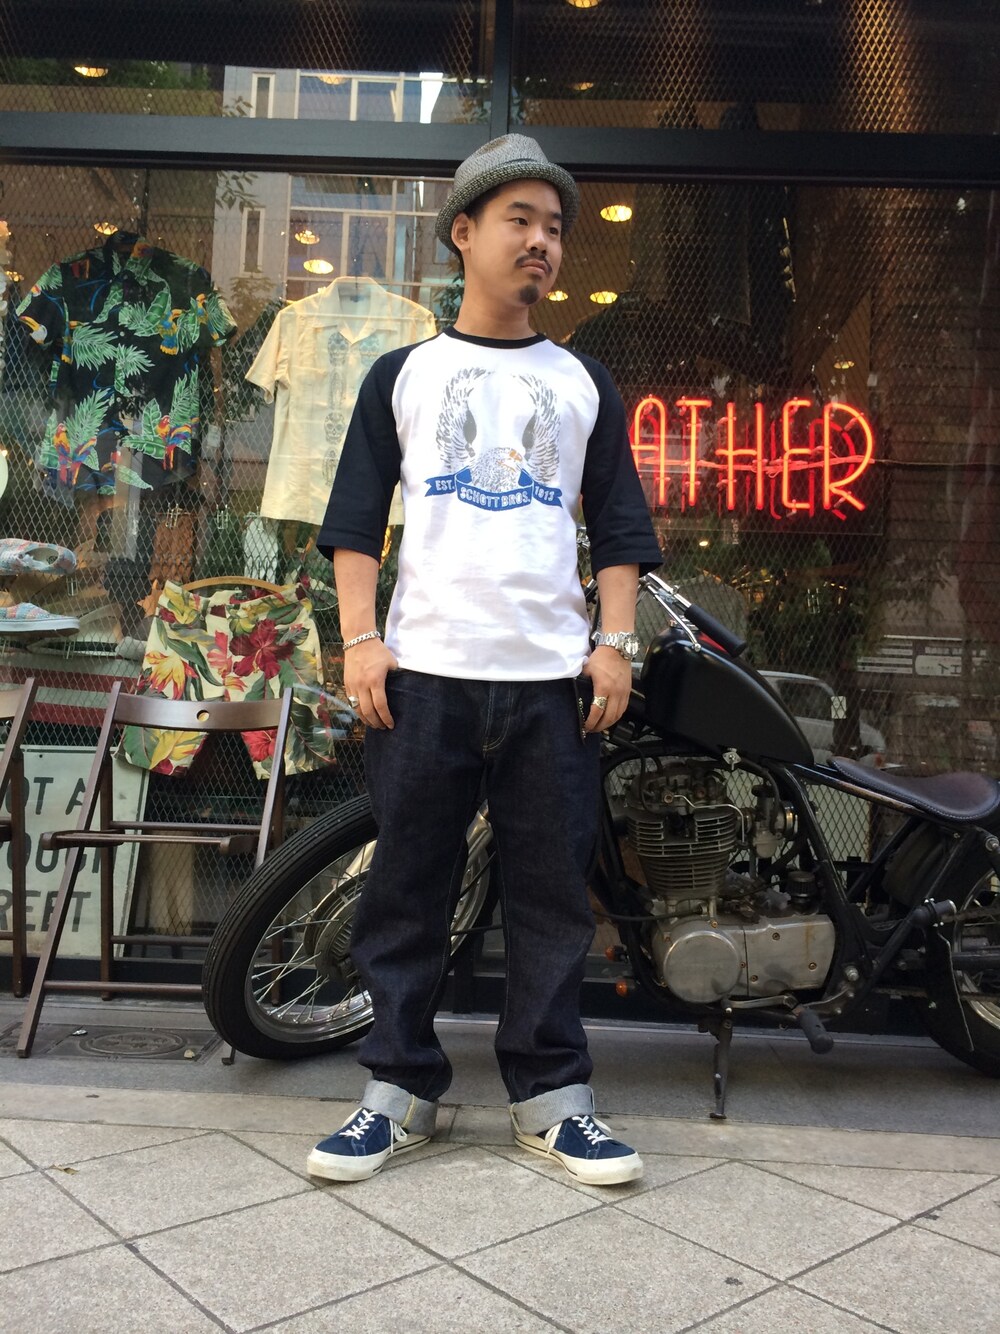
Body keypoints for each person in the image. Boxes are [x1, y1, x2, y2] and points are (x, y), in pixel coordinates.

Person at [311, 134, 662, 1186]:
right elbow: (354, 521)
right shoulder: (404, 374)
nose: (541, 241)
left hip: (552, 683)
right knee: (407, 891)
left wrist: (613, 646)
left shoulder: (582, 381)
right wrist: (361, 641)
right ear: (463, 233)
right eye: (520, 220)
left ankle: (553, 1099)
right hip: (424, 676)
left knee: (551, 897)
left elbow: (620, 528)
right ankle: (397, 1091)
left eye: (553, 227)